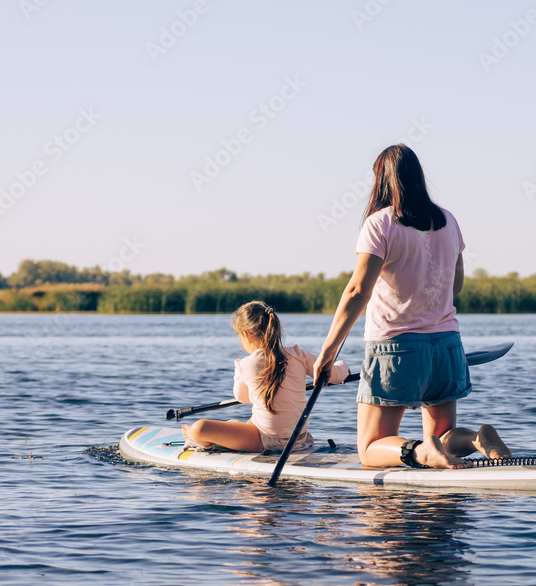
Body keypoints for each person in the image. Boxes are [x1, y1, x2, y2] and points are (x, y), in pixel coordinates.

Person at [313, 145, 512, 470]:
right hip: (447, 345)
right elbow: (455, 286)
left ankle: (421, 452)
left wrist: (327, 353)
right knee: (444, 434)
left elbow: (356, 291)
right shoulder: (447, 220)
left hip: (396, 348)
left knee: (371, 448)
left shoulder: (379, 224)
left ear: (382, 181)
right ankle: (479, 438)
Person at [183, 301, 350, 453]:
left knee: (200, 427)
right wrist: (343, 367)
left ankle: (193, 434)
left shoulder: (245, 364)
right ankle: (231, 429)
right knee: (250, 422)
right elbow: (334, 376)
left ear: (246, 335)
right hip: (298, 438)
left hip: (262, 440)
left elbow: (241, 398)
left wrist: (240, 371)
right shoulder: (300, 355)